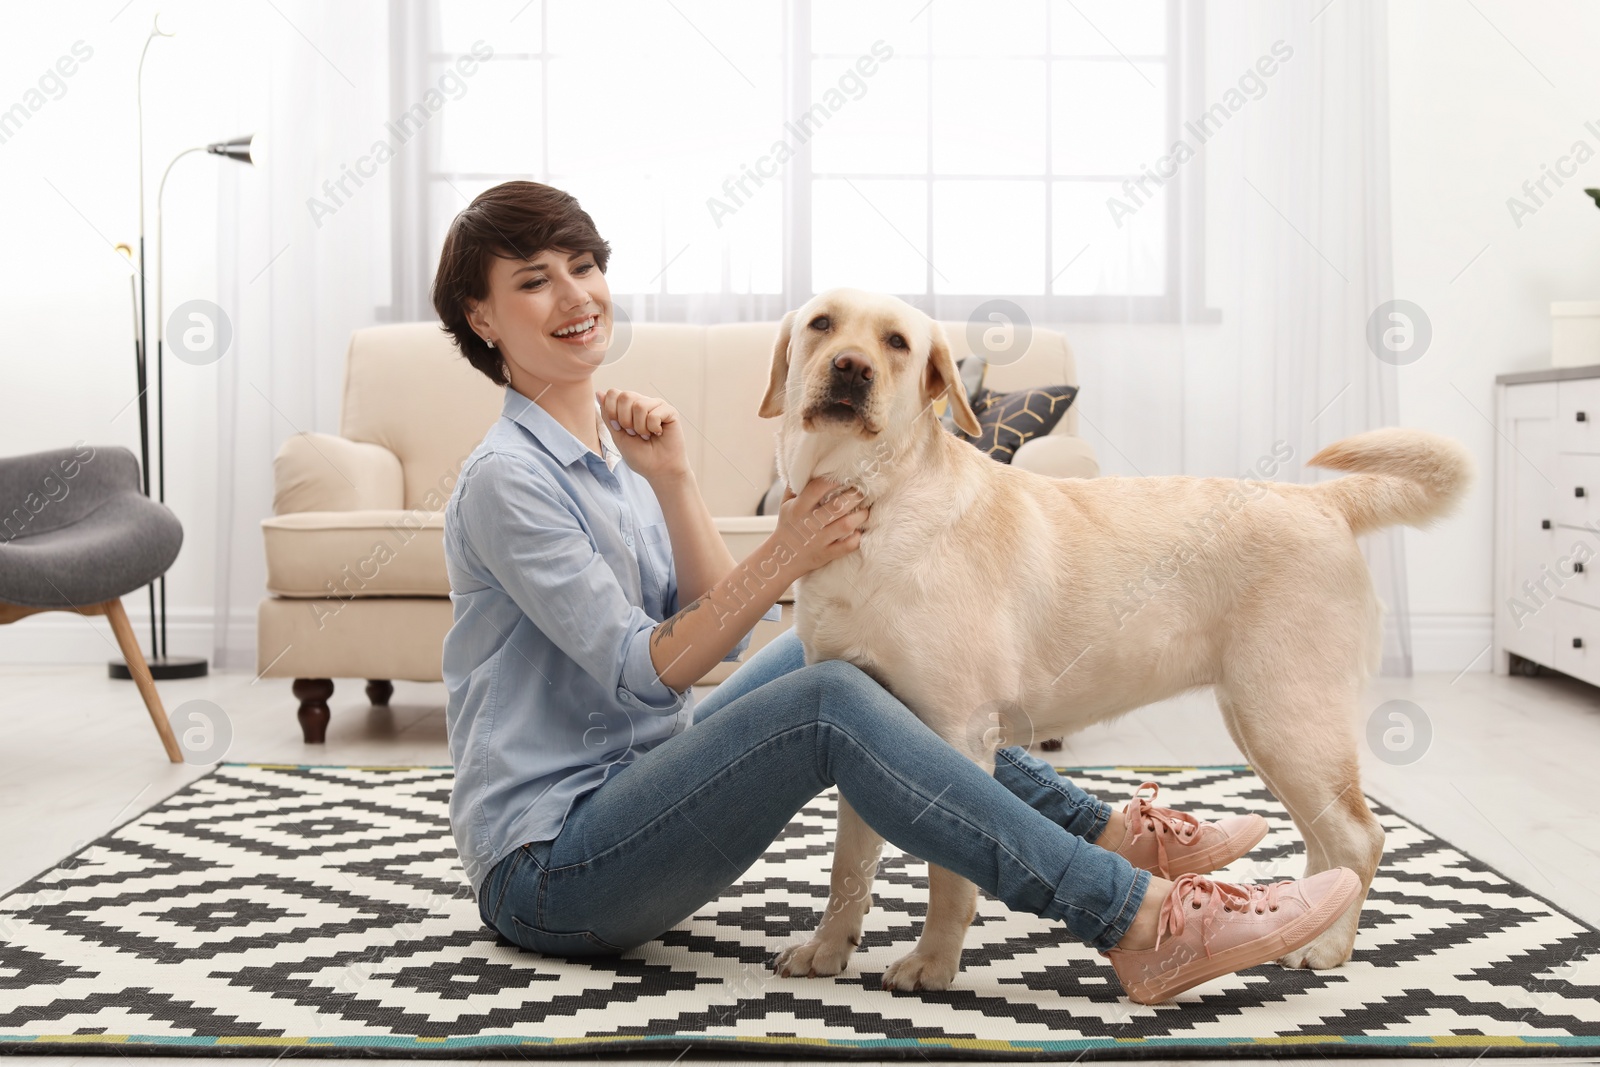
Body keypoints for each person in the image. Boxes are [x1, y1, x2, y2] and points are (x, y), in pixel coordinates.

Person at [430, 180, 1360, 1005]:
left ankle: (1113, 830)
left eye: (582, 266)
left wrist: (672, 476)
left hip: (642, 797)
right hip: (557, 872)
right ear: (483, 316)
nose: (573, 294)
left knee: (828, 660)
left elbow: (722, 623)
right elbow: (648, 675)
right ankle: (1140, 919)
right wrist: (790, 551)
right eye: (533, 279)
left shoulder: (607, 452)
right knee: (833, 695)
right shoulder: (508, 479)